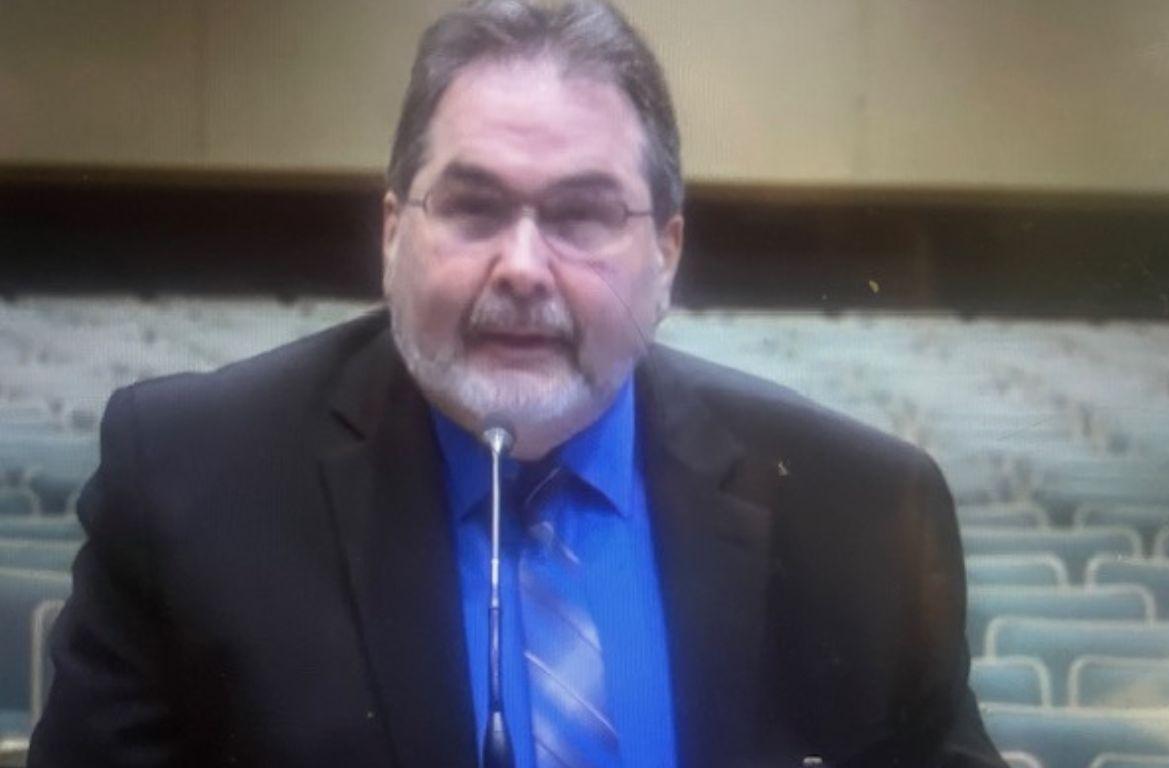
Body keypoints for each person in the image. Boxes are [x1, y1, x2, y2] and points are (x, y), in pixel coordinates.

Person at [29, 1, 1005, 766]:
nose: (525, 268)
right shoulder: (191, 486)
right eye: (473, 206)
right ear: (392, 234)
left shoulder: (861, 517)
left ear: (666, 253)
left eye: (582, 215)